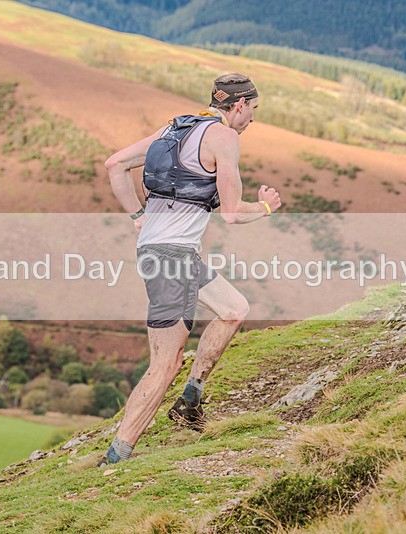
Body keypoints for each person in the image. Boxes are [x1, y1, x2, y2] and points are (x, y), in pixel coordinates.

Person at [99, 73, 281, 465]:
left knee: (234, 310)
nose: (251, 120)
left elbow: (115, 165)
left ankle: (191, 398)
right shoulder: (224, 138)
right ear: (238, 105)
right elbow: (232, 214)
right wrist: (266, 207)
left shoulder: (177, 127)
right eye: (251, 110)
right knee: (165, 363)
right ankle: (116, 456)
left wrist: (137, 216)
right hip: (173, 259)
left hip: (161, 251)